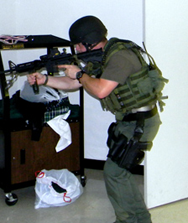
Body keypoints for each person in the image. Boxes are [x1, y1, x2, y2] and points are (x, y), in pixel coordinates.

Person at [28, 15, 164, 223]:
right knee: (120, 172)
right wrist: (45, 79)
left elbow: (100, 90)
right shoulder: (104, 55)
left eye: (78, 46)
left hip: (140, 122)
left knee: (114, 172)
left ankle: (129, 220)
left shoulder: (120, 57)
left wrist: (80, 74)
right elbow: (73, 83)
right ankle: (140, 219)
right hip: (129, 121)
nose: (77, 51)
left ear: (88, 42)